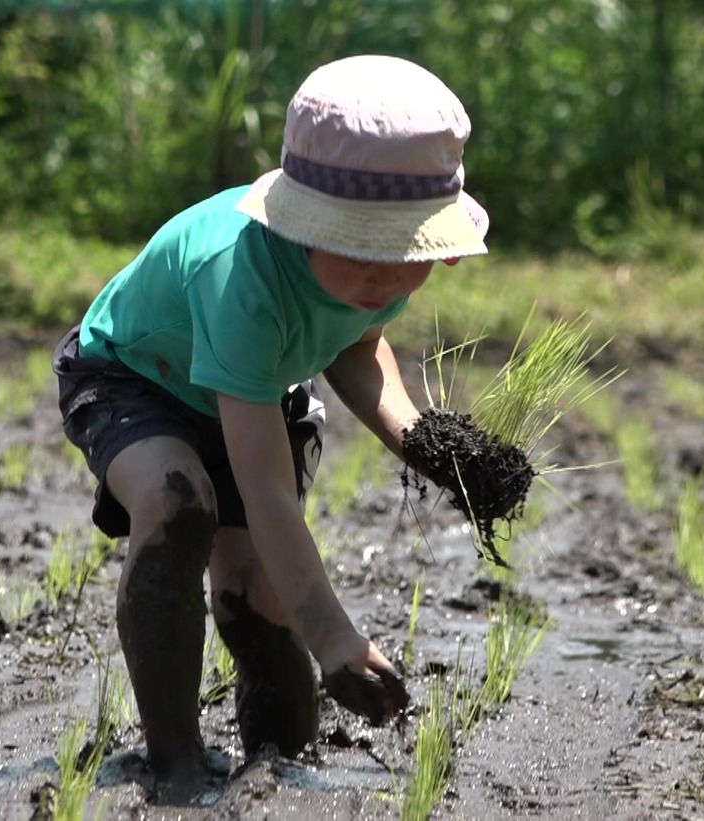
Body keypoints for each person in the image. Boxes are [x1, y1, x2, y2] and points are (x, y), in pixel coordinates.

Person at [52, 53, 490, 800]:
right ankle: (175, 759)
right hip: (137, 377)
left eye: (405, 251)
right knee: (178, 498)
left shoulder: (374, 271)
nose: (386, 277)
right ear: (305, 225)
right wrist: (335, 636)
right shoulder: (239, 274)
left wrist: (425, 443)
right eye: (364, 248)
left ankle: (278, 762)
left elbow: (355, 350)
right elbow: (266, 492)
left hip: (259, 386)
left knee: (258, 594)